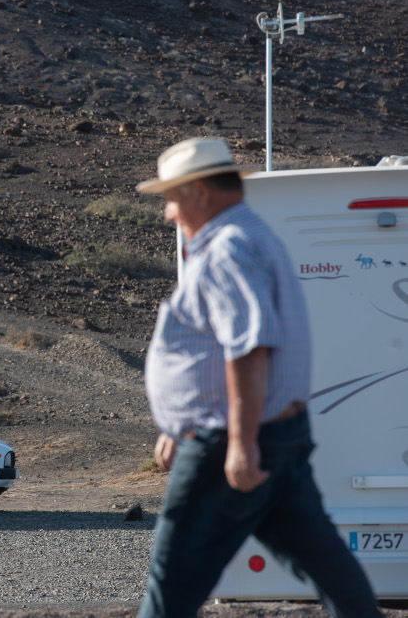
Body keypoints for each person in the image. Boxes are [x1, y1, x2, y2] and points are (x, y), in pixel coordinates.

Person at [135, 137, 382, 618]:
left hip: (231, 440)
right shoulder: (252, 236)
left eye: (170, 197)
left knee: (171, 584)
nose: (167, 212)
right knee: (330, 569)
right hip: (276, 435)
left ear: (199, 192)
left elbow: (249, 346)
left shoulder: (228, 247)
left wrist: (239, 442)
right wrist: (178, 425)